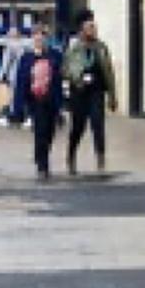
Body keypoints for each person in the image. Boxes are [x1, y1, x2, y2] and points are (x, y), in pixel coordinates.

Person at [63, 14, 116, 171]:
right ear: (82, 30)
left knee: (98, 124)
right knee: (78, 126)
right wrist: (77, 78)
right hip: (79, 92)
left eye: (94, 27)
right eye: (90, 28)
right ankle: (71, 154)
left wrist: (113, 96)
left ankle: (100, 157)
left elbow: (109, 72)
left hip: (97, 91)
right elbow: (65, 69)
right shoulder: (74, 49)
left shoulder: (101, 47)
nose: (93, 30)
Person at [23, 28, 62, 179]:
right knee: (40, 131)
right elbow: (22, 81)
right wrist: (19, 105)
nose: (40, 40)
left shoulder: (55, 56)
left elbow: (59, 77)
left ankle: (41, 154)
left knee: (50, 132)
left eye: (42, 38)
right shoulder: (27, 57)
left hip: (51, 99)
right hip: (35, 100)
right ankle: (42, 165)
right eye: (37, 38)